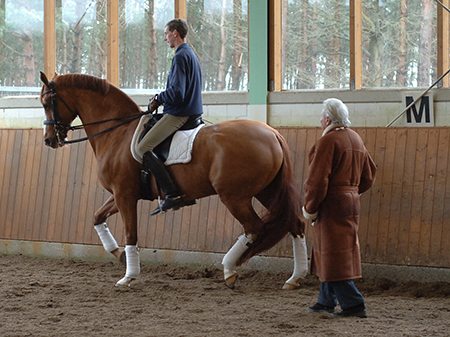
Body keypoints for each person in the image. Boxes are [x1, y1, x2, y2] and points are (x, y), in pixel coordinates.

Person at [302, 98, 377, 318]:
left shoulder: (327, 142)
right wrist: (352, 190)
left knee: (333, 254)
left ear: (327, 119)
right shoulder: (355, 138)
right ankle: (326, 300)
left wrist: (310, 206)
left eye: (321, 118)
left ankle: (354, 304)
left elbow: (317, 181)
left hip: (331, 203)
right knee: (335, 251)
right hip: (351, 202)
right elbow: (370, 174)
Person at [132, 18, 203, 215]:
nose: (164, 38)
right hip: (191, 110)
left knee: (142, 147)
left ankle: (172, 193)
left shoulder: (180, 56)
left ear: (175, 33)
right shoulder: (191, 54)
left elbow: (177, 92)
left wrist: (158, 98)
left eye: (165, 34)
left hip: (180, 113)